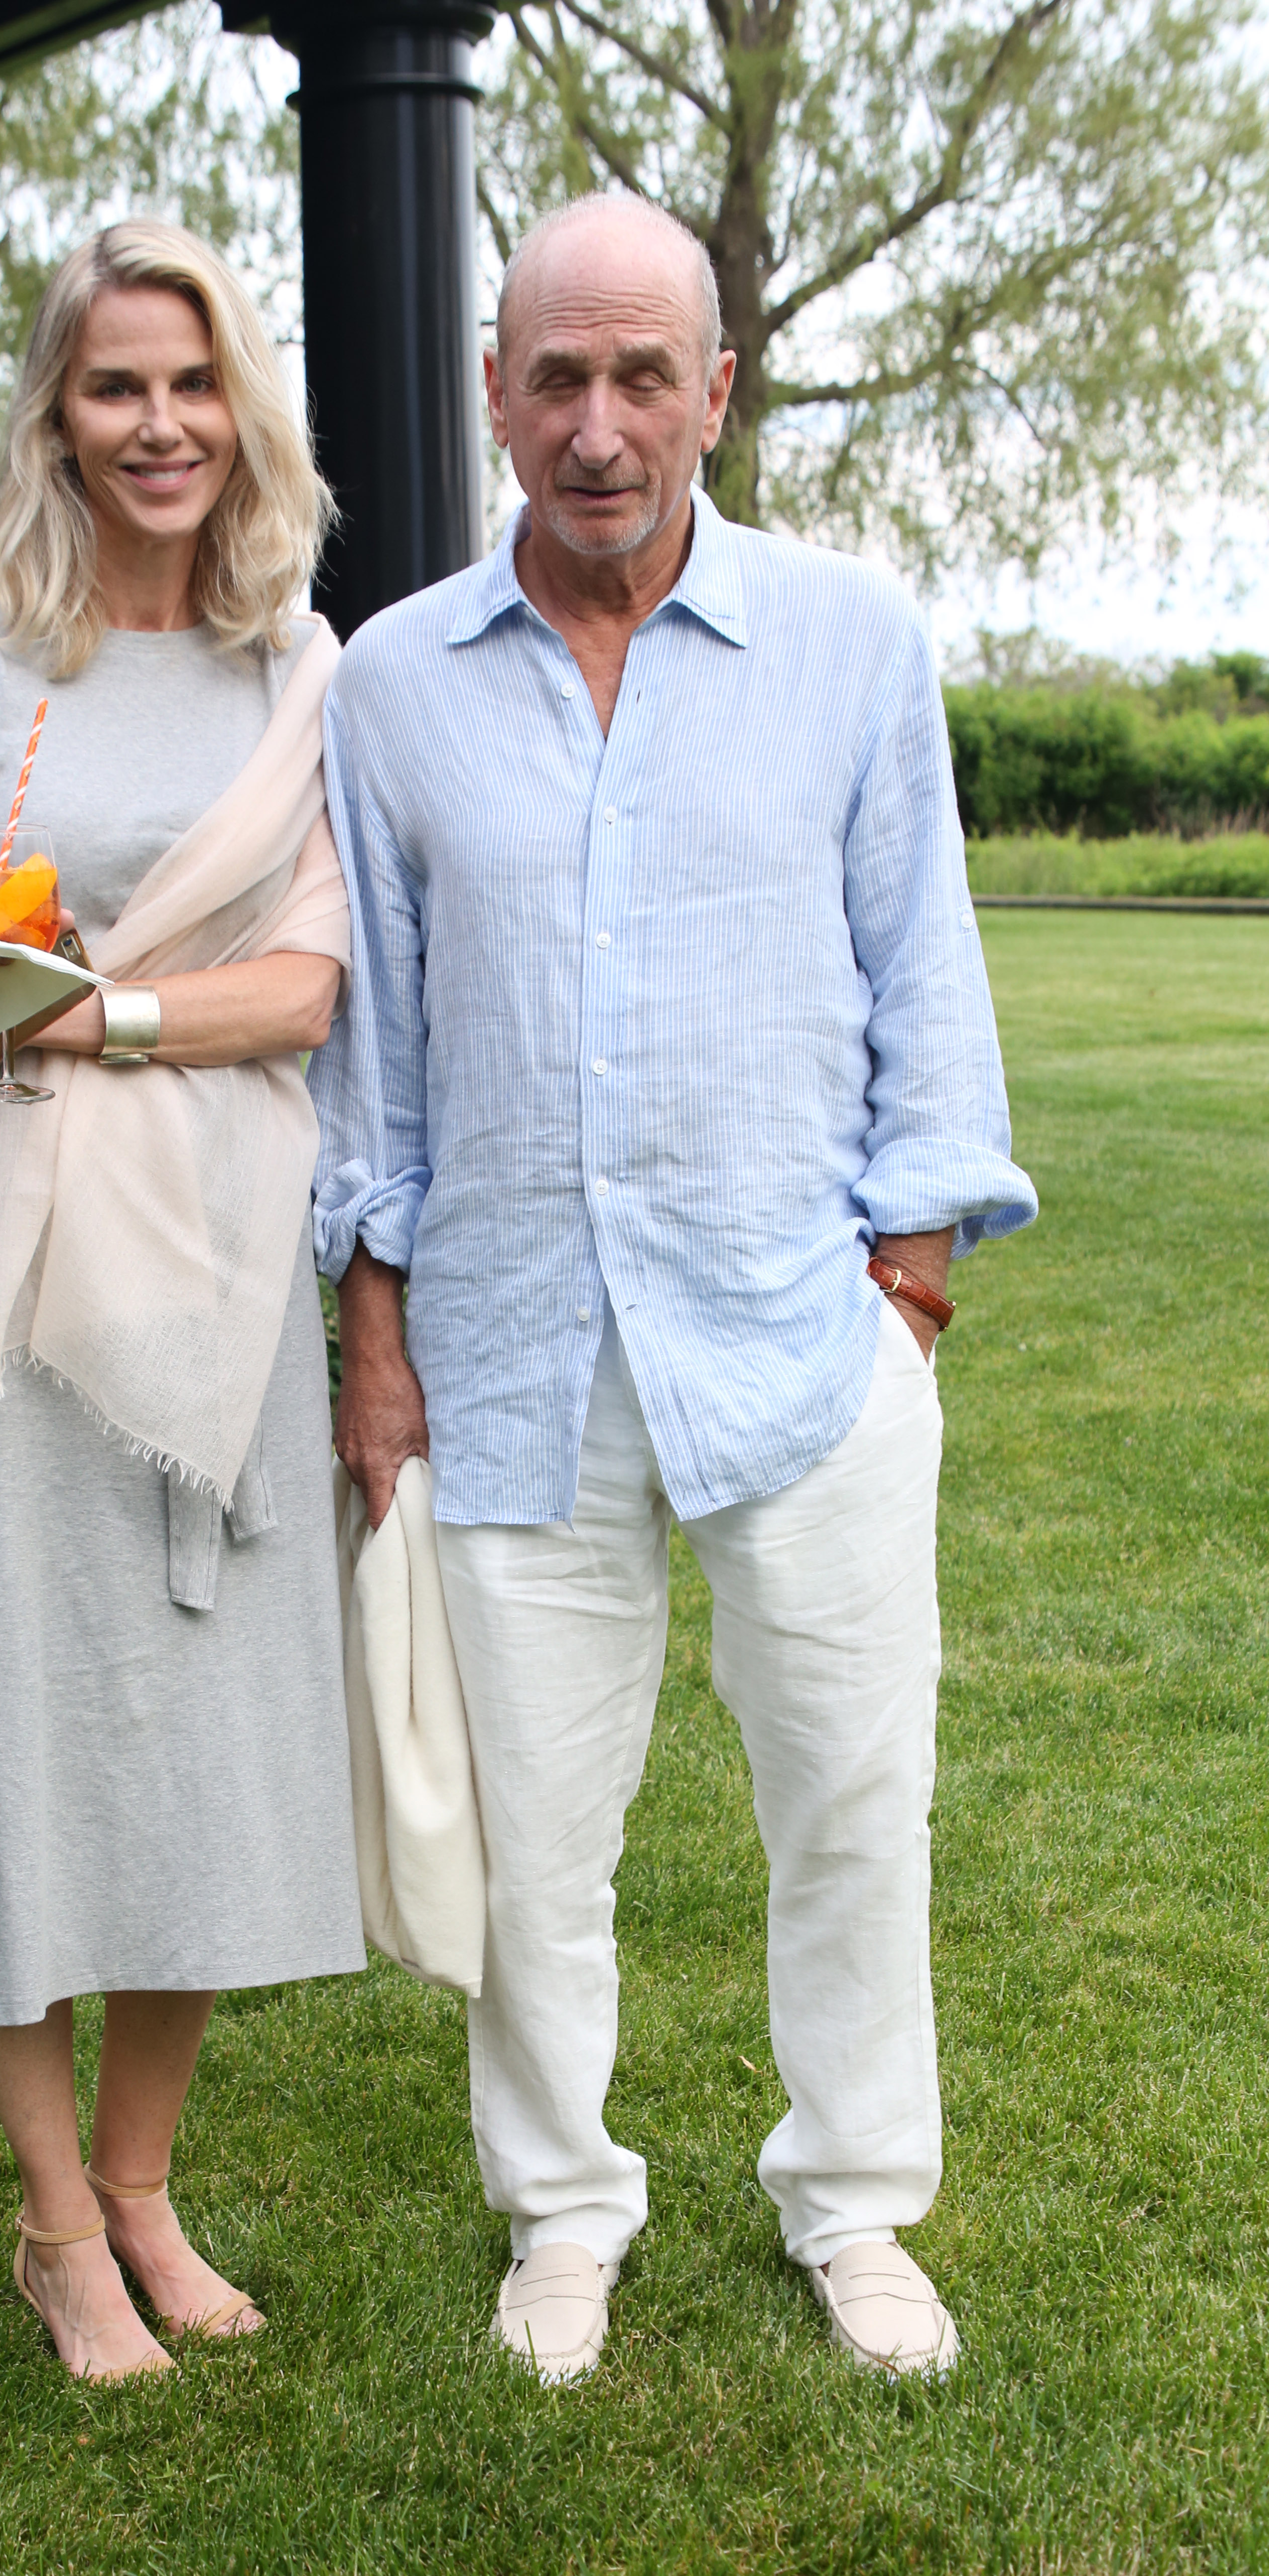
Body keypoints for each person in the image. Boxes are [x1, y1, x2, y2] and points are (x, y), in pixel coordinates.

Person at [311, 190, 1038, 2387]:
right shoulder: (394, 687)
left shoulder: (848, 643)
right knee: (539, 1833)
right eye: (559, 377)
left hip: (802, 1344)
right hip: (510, 1353)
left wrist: (904, 1286)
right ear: (497, 395)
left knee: (848, 1794)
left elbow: (927, 967)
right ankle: (564, 2210)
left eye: (645, 375)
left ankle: (853, 2202)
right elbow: (380, 1055)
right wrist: (376, 1342)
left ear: (716, 390)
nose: (601, 424)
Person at [0, 222, 365, 2385]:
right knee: (27, 1721)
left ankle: (145, 2183)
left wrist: (101, 1012)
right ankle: (57, 2228)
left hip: (229, 1246)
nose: (161, 427)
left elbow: (306, 989)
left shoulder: (295, 667)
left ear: (247, 414)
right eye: (118, 387)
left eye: (197, 385)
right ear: (55, 412)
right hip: (10, 1253)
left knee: (214, 1721)